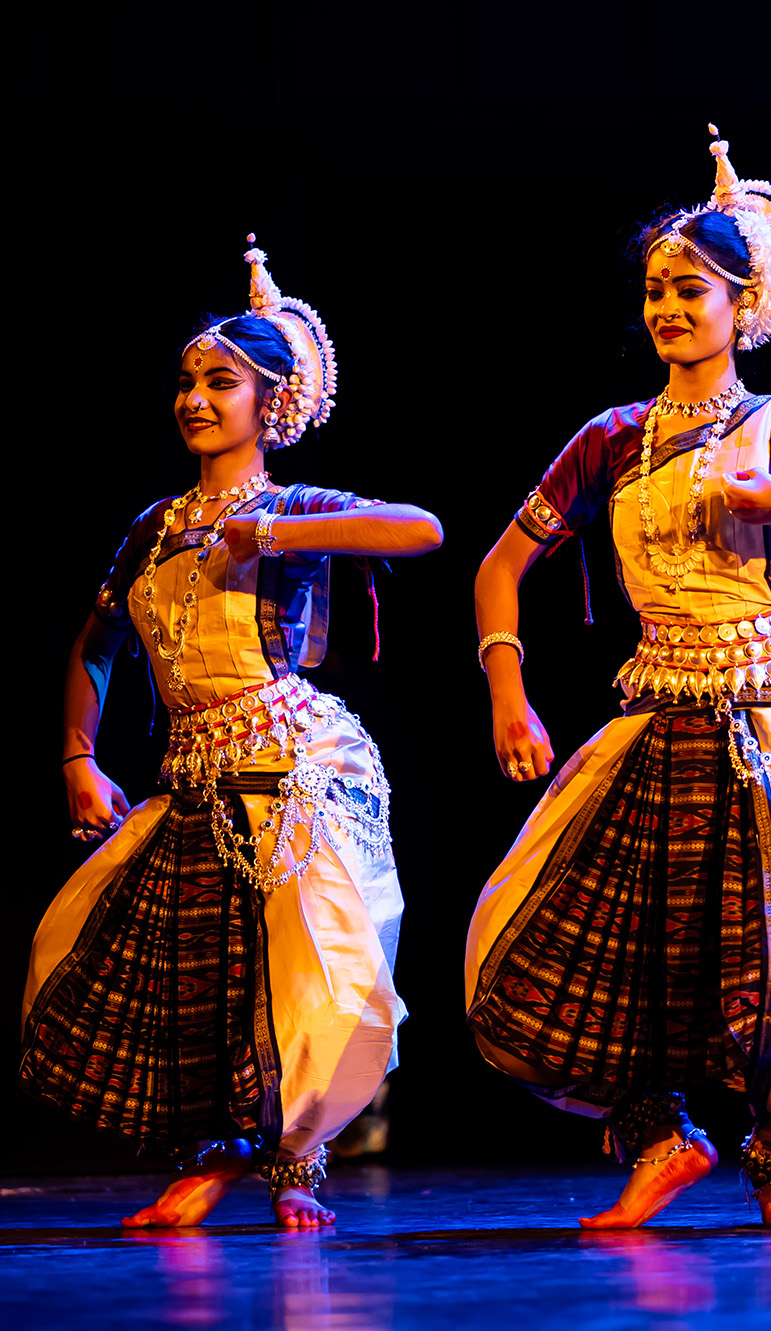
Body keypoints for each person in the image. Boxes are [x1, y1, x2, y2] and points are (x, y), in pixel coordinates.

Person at [466, 127, 771, 1230]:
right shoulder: (611, 438)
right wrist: (509, 688)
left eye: (688, 290)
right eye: (654, 291)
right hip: (655, 712)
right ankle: (660, 1138)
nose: (665, 309)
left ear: (745, 305)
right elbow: (499, 566)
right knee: (594, 944)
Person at [20, 237, 443, 1228]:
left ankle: (297, 1163)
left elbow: (419, 526)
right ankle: (209, 1155)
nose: (196, 399)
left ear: (272, 403)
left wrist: (279, 534)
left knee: (304, 971)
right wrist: (79, 755)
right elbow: (94, 645)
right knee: (191, 979)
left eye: (221, 383)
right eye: (187, 382)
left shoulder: (289, 506)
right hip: (189, 779)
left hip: (287, 769)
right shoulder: (153, 526)